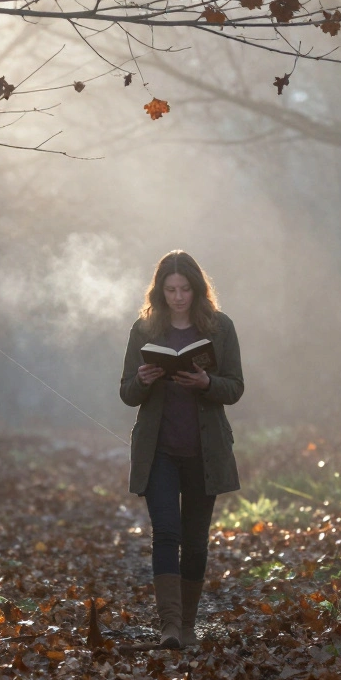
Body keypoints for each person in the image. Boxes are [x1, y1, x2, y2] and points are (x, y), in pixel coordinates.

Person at [119, 250, 243, 648]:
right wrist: (143, 379)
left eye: (184, 289)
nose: (177, 297)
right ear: (159, 291)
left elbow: (235, 387)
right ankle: (170, 627)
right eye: (170, 289)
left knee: (195, 540)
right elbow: (127, 393)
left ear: (197, 289)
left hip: (205, 452)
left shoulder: (220, 328)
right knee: (166, 533)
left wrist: (207, 383)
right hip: (158, 451)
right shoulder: (144, 330)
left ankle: (187, 625)